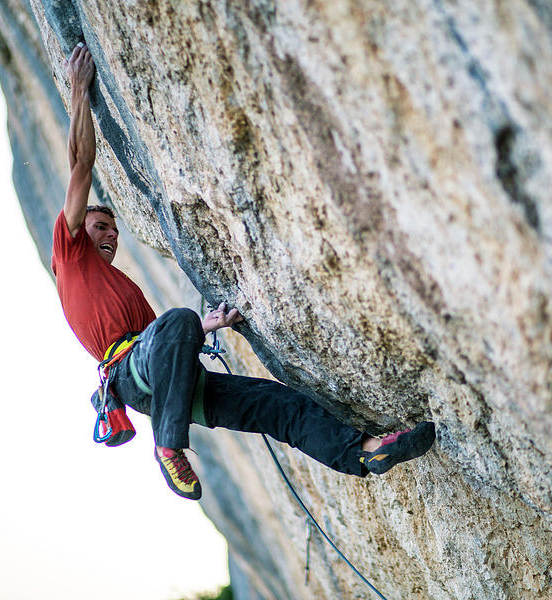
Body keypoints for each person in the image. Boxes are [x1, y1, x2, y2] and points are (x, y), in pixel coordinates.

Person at [51, 42, 436, 500]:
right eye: (99, 226)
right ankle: (169, 446)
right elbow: (81, 166)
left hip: (164, 381)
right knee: (177, 320)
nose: (108, 235)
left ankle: (365, 452)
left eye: (113, 229)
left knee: (276, 405)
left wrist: (207, 325)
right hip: (136, 376)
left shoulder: (120, 290)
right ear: (78, 229)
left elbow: (165, 343)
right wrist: (79, 90)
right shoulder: (69, 252)